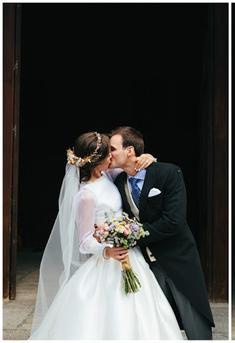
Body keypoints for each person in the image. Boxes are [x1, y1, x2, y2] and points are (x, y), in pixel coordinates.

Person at [30, 131, 183, 340]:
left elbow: (130, 166)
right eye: (108, 154)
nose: (112, 157)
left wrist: (148, 158)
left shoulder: (109, 176)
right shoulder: (86, 195)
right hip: (108, 260)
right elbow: (84, 241)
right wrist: (108, 250)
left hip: (131, 254)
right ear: (98, 161)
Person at [109, 126, 214, 340]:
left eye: (113, 148)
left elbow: (174, 221)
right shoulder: (117, 182)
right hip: (146, 264)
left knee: (193, 317)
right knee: (156, 321)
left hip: (178, 257)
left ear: (130, 151)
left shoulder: (167, 172)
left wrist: (132, 234)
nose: (108, 154)